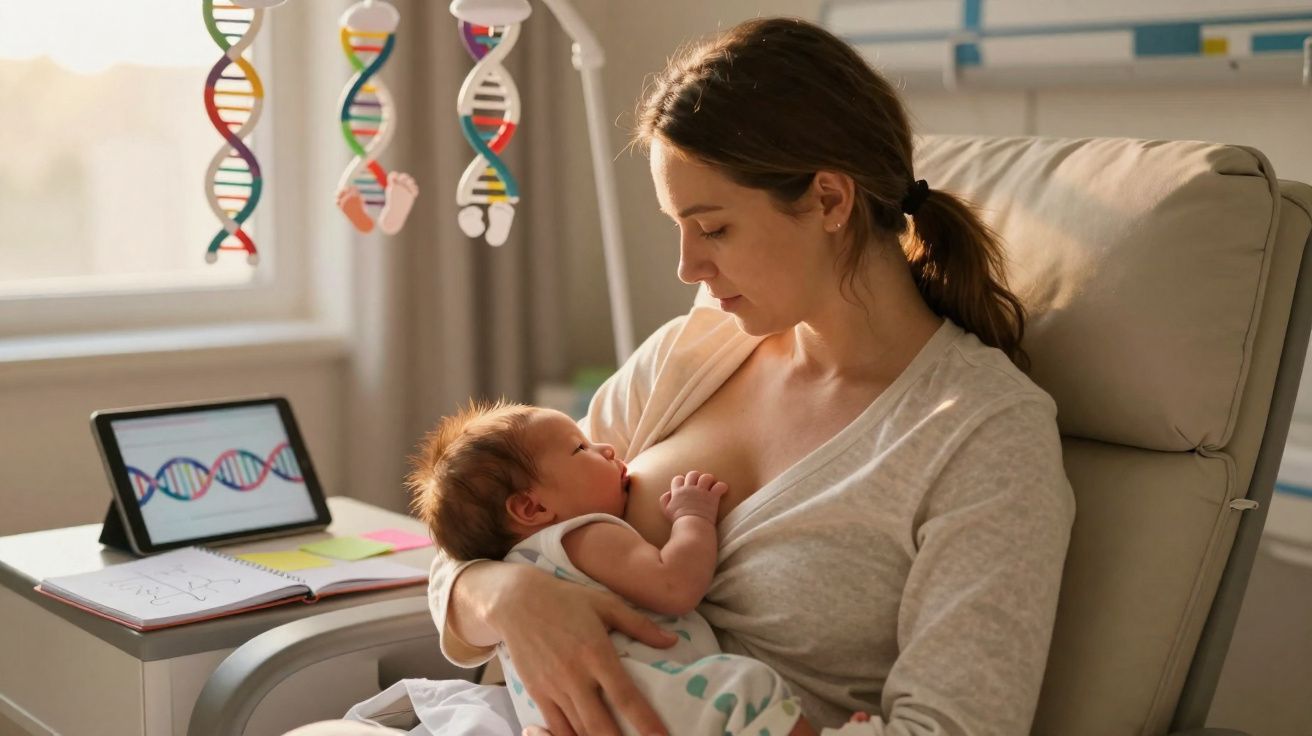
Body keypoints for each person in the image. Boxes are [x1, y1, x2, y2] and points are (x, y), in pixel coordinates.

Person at [428, 15, 1075, 736]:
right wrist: (510, 597)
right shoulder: (693, 351)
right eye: (678, 226)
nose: (687, 268)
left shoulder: (981, 434)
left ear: (830, 200)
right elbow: (490, 516)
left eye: (714, 228)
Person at [406, 399, 830, 735]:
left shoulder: (514, 558)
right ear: (532, 507)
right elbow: (675, 585)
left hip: (573, 721)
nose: (607, 448)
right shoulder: (585, 535)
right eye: (581, 448)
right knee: (749, 690)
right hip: (653, 704)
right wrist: (693, 518)